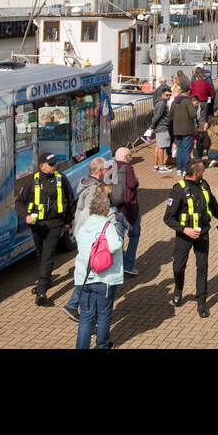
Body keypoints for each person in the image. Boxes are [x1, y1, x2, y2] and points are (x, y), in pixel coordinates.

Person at [162, 159, 218, 317]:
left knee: (202, 267)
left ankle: (202, 302)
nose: (203, 173)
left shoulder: (204, 185)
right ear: (196, 173)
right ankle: (178, 289)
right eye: (202, 171)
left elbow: (213, 204)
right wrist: (184, 230)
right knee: (179, 266)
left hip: (203, 233)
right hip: (184, 235)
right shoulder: (178, 189)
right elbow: (168, 218)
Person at [22, 153, 76, 306]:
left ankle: (41, 291)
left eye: (54, 164)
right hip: (37, 225)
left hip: (55, 223)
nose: (54, 166)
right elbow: (20, 202)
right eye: (51, 164)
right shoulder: (32, 181)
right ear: (42, 166)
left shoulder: (61, 179)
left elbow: (71, 201)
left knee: (48, 254)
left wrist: (67, 222)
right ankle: (44, 281)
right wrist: (26, 216)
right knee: (40, 253)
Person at [72, 187, 123, 349]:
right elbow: (115, 245)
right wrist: (119, 238)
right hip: (104, 278)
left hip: (84, 278)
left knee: (86, 317)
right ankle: (102, 345)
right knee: (104, 314)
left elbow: (79, 242)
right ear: (106, 208)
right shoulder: (107, 225)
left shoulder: (84, 224)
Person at [114, 147, 141, 276]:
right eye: (130, 156)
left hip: (115, 209)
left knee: (118, 238)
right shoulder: (128, 168)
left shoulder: (111, 168)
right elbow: (132, 184)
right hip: (129, 208)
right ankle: (128, 265)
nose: (131, 158)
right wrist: (136, 181)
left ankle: (116, 266)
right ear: (126, 158)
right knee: (134, 235)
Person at [169, 81, 198, 176]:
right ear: (189, 91)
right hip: (187, 129)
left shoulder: (174, 102)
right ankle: (185, 168)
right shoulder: (188, 101)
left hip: (177, 129)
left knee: (180, 149)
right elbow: (193, 115)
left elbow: (170, 116)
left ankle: (179, 168)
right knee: (186, 149)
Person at [151, 85, 173, 171]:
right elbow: (157, 116)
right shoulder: (162, 103)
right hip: (162, 127)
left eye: (170, 95)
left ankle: (156, 165)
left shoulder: (161, 102)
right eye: (167, 95)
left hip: (160, 126)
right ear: (162, 95)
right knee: (162, 147)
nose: (169, 97)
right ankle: (161, 167)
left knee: (158, 146)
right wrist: (152, 126)